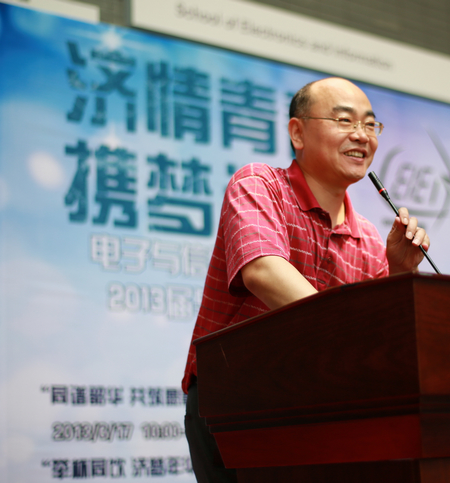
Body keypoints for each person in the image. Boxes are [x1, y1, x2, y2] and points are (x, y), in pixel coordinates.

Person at [182, 77, 430, 482]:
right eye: (344, 120)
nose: (361, 135)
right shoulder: (259, 184)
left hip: (319, 407)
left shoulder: (369, 238)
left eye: (370, 125)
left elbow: (377, 339)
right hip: (236, 399)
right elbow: (263, 270)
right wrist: (348, 331)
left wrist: (401, 271)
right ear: (297, 133)